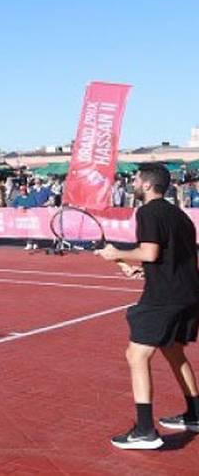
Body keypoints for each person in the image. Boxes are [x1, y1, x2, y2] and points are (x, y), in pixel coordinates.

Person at [96, 163, 199, 450]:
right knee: (174, 351)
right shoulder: (181, 216)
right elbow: (172, 257)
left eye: (137, 178)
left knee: (136, 355)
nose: (133, 182)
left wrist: (116, 253)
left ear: (148, 184)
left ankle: (144, 430)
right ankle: (195, 413)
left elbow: (150, 251)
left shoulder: (148, 212)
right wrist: (139, 269)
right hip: (188, 294)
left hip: (164, 298)